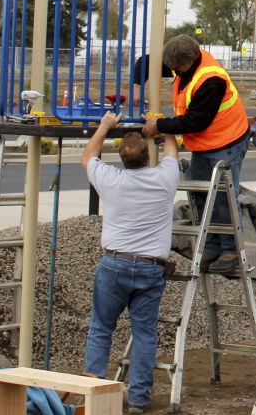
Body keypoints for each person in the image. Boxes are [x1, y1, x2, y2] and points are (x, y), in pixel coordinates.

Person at [82, 111, 180, 415]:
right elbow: (172, 150)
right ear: (147, 159)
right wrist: (162, 125)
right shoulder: (164, 178)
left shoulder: (111, 179)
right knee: (145, 334)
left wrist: (104, 127)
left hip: (115, 264)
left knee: (101, 328)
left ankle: (94, 395)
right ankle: (138, 400)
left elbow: (87, 157)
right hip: (151, 267)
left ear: (122, 160)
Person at [140, 35, 251, 275]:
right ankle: (211, 247)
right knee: (202, 196)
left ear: (190, 60)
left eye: (177, 68)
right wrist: (139, 90)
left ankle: (231, 250)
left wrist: (159, 126)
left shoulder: (211, 80)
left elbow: (196, 121)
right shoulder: (181, 62)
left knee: (223, 199)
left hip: (227, 140)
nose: (173, 71)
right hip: (205, 144)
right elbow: (144, 65)